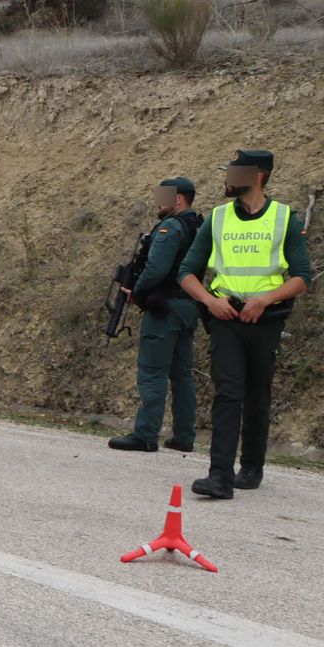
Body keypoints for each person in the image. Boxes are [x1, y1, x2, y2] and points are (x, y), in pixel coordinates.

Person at [178, 149, 312, 499]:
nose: (227, 178)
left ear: (256, 176)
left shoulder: (284, 218)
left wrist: (265, 300)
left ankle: (251, 465)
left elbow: (302, 277)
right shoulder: (217, 218)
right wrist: (210, 300)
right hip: (225, 317)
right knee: (228, 391)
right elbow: (186, 273)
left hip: (265, 318)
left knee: (257, 393)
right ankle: (219, 476)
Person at [108, 177, 203, 453]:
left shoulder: (171, 227)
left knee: (152, 371)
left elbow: (156, 269)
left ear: (178, 199)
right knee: (181, 373)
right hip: (188, 305)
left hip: (166, 308)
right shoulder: (197, 226)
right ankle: (184, 436)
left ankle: (146, 434)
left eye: (164, 196)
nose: (158, 202)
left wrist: (136, 291)